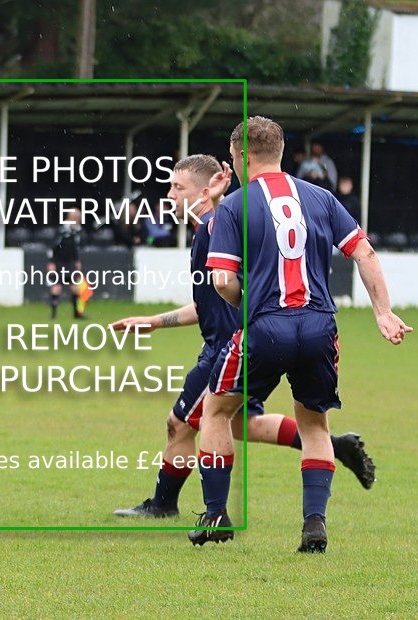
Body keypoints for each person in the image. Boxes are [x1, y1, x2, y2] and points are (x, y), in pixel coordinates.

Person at [111, 155, 374, 520]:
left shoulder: (212, 228)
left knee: (181, 422)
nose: (169, 194)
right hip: (249, 339)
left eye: (177, 187)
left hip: (225, 349)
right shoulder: (206, 229)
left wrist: (219, 200)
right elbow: (206, 305)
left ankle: (165, 504)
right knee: (238, 425)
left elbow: (225, 279)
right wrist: (156, 322)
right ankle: (331, 445)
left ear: (203, 191)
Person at [193, 116, 411, 552]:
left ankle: (216, 514)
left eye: (234, 158)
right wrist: (383, 312)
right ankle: (314, 525)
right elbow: (363, 252)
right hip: (318, 327)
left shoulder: (235, 205)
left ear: (244, 156)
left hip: (265, 326)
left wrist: (245, 302)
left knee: (215, 412)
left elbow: (221, 282)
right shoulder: (321, 198)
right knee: (315, 423)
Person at [47, 209, 85, 319]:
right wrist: (51, 262)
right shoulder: (62, 231)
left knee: (75, 287)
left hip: (71, 262)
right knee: (57, 286)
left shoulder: (77, 231)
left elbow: (75, 248)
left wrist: (77, 260)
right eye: (77, 217)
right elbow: (53, 247)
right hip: (59, 261)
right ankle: (53, 315)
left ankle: (76, 314)